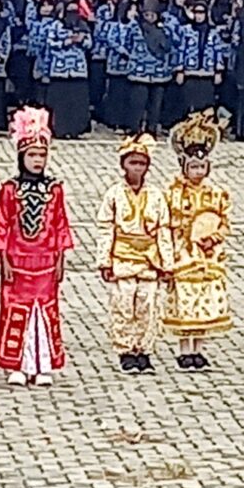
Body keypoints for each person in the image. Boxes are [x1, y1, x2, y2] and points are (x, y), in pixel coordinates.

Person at [0, 107, 75, 384]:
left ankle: (43, 363)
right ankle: (16, 363)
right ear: (21, 157)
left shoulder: (55, 189)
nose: (38, 161)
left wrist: (61, 258)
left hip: (45, 261)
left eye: (42, 155)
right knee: (15, 309)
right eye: (32, 155)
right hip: (17, 261)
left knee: (45, 310)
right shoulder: (9, 189)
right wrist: (2, 259)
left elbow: (61, 224)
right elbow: (1, 224)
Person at [163, 109, 232, 372]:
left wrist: (214, 237)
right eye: (193, 166)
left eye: (202, 166)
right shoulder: (173, 194)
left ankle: (199, 348)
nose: (197, 171)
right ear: (183, 166)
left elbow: (224, 221)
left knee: (204, 300)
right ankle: (184, 348)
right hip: (184, 253)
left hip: (209, 255)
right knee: (185, 299)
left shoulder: (217, 194)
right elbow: (168, 223)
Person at [95, 129, 168, 374]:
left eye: (142, 163)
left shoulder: (156, 196)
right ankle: (126, 349)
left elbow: (163, 230)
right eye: (132, 162)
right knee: (124, 302)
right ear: (123, 164)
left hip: (149, 259)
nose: (137, 168)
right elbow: (106, 227)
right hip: (122, 258)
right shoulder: (114, 195)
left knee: (148, 303)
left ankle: (144, 350)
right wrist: (104, 260)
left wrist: (167, 263)